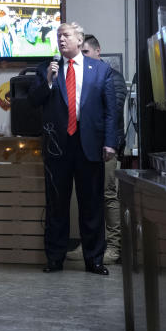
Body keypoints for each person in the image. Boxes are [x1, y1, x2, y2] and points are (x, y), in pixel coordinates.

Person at [28, 22, 117, 275]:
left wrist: (110, 142)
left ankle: (94, 260)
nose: (61, 40)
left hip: (89, 145)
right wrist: (47, 82)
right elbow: (33, 101)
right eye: (58, 36)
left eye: (66, 35)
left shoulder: (100, 70)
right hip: (58, 146)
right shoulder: (47, 69)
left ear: (79, 40)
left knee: (92, 205)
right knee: (56, 205)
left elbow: (111, 111)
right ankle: (55, 258)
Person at [71, 34, 127, 265]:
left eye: (85, 52)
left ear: (97, 51)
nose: (81, 57)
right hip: (86, 147)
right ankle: (90, 244)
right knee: (88, 197)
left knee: (107, 195)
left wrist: (110, 145)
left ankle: (114, 247)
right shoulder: (81, 75)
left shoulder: (112, 76)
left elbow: (111, 111)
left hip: (106, 147)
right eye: (79, 52)